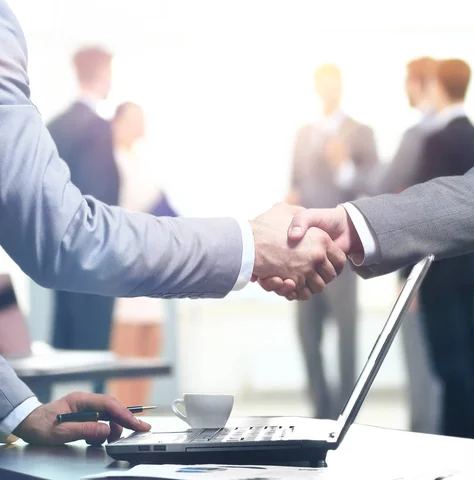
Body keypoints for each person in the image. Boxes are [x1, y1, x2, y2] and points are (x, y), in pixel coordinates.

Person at [0, 0, 344, 445]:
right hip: (110, 278)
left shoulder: (85, 135)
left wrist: (18, 408)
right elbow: (64, 232)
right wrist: (253, 244)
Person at [274, 42, 474, 321]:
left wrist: (350, 186)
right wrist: (359, 224)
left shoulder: (415, 138)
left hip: (424, 269)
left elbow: (387, 182)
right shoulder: (467, 137)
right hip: (382, 251)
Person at [399, 59, 474, 440]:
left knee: (449, 367)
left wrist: (409, 278)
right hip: (472, 269)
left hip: (439, 273)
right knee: (471, 359)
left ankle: (461, 446)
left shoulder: (437, 142)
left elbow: (424, 215)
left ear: (438, 86)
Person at [287, 64, 379, 419]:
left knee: (346, 334)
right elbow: (294, 182)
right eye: (322, 85)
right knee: (306, 333)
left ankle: (345, 414)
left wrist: (344, 165)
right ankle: (320, 409)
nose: (328, 91)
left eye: (333, 85)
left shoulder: (361, 133)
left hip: (342, 248)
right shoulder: (303, 134)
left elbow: (374, 187)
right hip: (302, 250)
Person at [365, 57, 443, 435]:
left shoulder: (420, 136)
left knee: (421, 359)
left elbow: (387, 184)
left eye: (407, 83)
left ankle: (425, 434)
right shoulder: (456, 134)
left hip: (418, 266)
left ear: (421, 83)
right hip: (447, 266)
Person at [47, 47, 120, 395]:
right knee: (94, 353)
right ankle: (93, 427)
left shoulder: (54, 126)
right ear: (103, 72)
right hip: (94, 257)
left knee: (63, 345)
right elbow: (99, 199)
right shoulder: (97, 128)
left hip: (57, 256)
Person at [109, 102, 175, 406]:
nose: (142, 126)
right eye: (136, 119)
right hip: (124, 264)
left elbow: (161, 205)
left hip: (148, 265)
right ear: (119, 122)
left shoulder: (140, 161)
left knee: (148, 353)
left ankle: (138, 417)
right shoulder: (111, 162)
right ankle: (122, 417)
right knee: (126, 354)